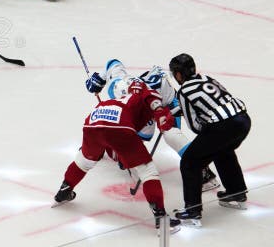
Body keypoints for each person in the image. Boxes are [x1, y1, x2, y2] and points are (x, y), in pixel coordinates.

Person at [53, 80, 181, 233]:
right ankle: (162, 219)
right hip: (119, 125)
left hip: (94, 120)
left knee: (84, 161)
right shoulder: (148, 94)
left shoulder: (120, 98)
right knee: (148, 172)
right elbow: (154, 102)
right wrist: (163, 117)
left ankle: (64, 191)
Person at [85, 59, 220, 192]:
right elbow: (113, 63)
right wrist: (99, 79)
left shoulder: (139, 106)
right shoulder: (116, 84)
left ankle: (204, 172)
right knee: (125, 144)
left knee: (170, 134)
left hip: (167, 101)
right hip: (152, 96)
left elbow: (136, 139)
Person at [168, 53, 252, 227]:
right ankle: (236, 193)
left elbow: (196, 127)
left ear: (178, 74)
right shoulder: (206, 78)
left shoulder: (184, 91)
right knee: (223, 150)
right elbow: (213, 103)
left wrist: (180, 112)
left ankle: (193, 212)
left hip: (223, 127)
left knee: (190, 162)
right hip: (243, 120)